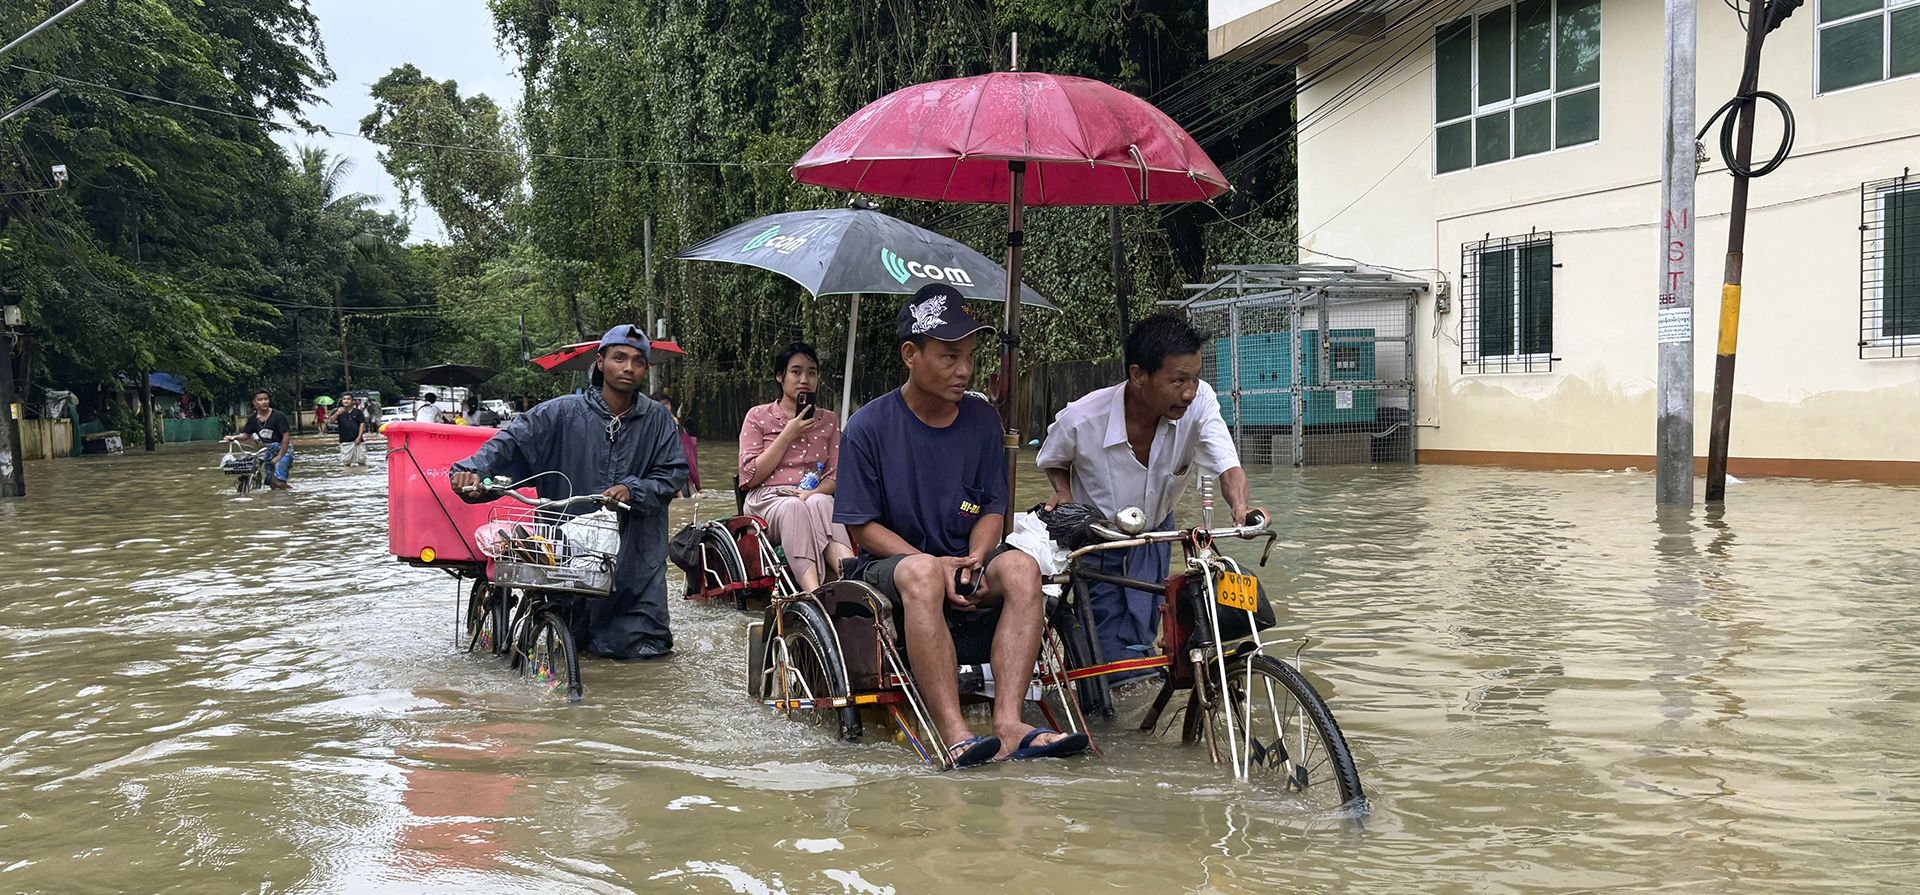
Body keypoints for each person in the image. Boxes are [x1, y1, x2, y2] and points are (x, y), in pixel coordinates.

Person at [835, 285, 1090, 767]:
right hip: (892, 566)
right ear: (910, 354)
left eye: (970, 356)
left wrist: (976, 556)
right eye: (950, 357)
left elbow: (992, 506)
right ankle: (954, 731)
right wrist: (930, 561)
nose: (965, 370)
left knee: (1022, 568)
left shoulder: (981, 420)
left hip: (967, 558)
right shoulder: (867, 427)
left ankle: (1010, 723)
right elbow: (863, 525)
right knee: (923, 574)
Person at [1036, 313, 1262, 671]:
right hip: (1101, 542)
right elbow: (1052, 458)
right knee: (1112, 662)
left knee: (1153, 634)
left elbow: (1226, 463)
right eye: (1177, 381)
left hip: (1156, 536)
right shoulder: (1082, 419)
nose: (1188, 391)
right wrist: (1063, 493)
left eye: (1194, 378)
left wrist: (1241, 508)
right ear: (1139, 375)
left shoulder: (1200, 401)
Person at [449, 324, 687, 660]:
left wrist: (633, 490)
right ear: (600, 362)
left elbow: (673, 473)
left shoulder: (658, 421)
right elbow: (512, 442)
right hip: (565, 560)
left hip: (637, 563)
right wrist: (474, 470)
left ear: (645, 369)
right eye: (619, 358)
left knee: (646, 659)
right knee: (561, 647)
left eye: (637, 360)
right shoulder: (558, 413)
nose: (628, 367)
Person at [737, 342, 853, 592]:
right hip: (767, 498)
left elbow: (834, 476)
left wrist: (813, 493)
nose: (805, 379)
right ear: (780, 376)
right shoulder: (757, 416)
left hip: (812, 495)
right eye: (796, 371)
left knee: (823, 502)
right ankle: (813, 593)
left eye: (812, 372)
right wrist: (788, 434)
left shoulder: (829, 420)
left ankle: (850, 580)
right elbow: (749, 477)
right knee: (794, 507)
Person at [226, 388, 293, 489]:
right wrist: (233, 437)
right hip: (269, 450)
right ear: (254, 402)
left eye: (266, 399)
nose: (264, 402)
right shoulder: (253, 419)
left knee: (279, 482)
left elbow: (286, 437)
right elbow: (246, 435)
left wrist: (279, 456)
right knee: (272, 484)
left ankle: (293, 495)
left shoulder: (279, 416)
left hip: (284, 450)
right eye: (260, 400)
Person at [652, 391, 701, 496]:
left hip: (678, 457)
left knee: (682, 467)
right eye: (662, 405)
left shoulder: (675, 421)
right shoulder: (653, 423)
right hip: (663, 462)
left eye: (666, 404)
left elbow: (685, 442)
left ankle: (693, 492)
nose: (665, 408)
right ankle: (682, 496)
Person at [328, 393, 370, 468]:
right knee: (346, 463)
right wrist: (338, 413)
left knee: (361, 461)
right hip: (345, 441)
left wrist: (359, 437)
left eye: (348, 399)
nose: (346, 401)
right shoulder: (337, 411)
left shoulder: (358, 412)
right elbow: (331, 421)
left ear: (352, 401)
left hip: (358, 441)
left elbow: (362, 424)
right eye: (344, 399)